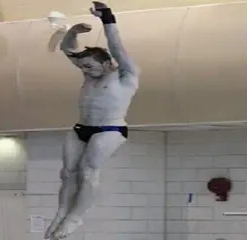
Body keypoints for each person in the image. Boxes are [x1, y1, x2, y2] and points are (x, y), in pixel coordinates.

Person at [44, 2, 139, 239]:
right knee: (67, 173)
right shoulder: (88, 72)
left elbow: (117, 47)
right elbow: (67, 49)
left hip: (110, 129)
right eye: (83, 68)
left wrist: (107, 18)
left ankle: (75, 218)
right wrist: (73, 32)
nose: (85, 71)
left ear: (107, 63)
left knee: (87, 172)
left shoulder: (125, 75)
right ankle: (62, 212)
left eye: (89, 67)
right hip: (81, 128)